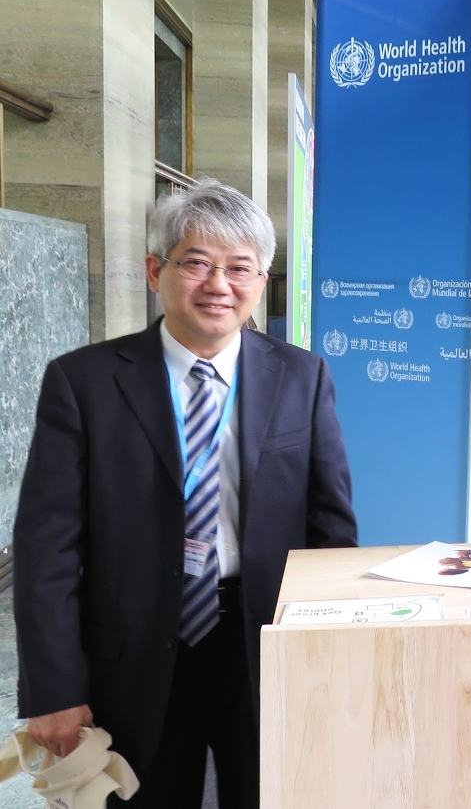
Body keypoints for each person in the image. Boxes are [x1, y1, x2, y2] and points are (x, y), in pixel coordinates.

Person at [14, 180, 358, 808]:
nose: (218, 284)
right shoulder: (83, 382)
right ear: (154, 270)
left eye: (240, 268)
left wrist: (326, 655)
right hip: (132, 652)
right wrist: (52, 686)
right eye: (197, 262)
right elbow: (46, 548)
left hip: (262, 643)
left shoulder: (301, 376)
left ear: (262, 280)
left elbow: (331, 530)